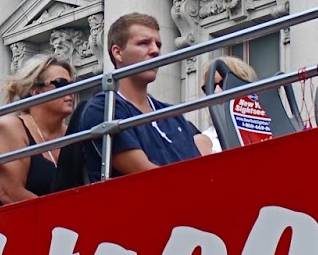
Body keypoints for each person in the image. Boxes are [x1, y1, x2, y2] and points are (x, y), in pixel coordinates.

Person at [66, 13, 211, 186]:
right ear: (118, 53)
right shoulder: (104, 107)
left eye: (158, 44)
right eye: (144, 43)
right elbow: (145, 174)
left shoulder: (172, 115)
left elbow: (198, 169)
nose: (155, 50)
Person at [0, 55, 76, 205]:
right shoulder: (10, 127)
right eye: (61, 83)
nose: (71, 90)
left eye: (73, 84)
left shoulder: (71, 133)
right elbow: (9, 193)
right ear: (36, 91)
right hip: (12, 223)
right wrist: (60, 216)